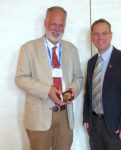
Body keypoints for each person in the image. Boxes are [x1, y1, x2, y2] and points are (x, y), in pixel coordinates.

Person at [15, 6, 83, 150]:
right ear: (45, 23)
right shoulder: (28, 48)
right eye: (53, 24)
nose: (57, 29)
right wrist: (47, 90)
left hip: (66, 116)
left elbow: (79, 77)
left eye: (61, 25)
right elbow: (20, 78)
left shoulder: (72, 49)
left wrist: (72, 89)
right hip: (39, 116)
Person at [83, 19, 121, 150]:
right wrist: (86, 118)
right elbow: (89, 94)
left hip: (116, 128)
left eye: (104, 33)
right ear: (92, 36)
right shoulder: (91, 63)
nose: (100, 37)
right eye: (96, 34)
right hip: (94, 125)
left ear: (111, 35)